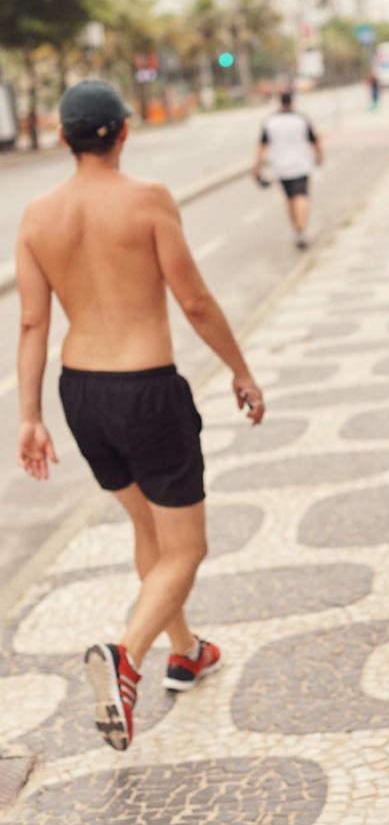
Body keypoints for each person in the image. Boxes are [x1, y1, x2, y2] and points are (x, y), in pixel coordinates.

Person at [16, 79, 265, 753]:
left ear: (65, 139)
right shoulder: (148, 200)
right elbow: (196, 302)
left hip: (80, 393)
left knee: (149, 529)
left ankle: (185, 651)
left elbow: (33, 320)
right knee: (187, 546)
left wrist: (29, 417)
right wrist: (240, 370)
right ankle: (126, 656)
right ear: (124, 131)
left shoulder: (37, 215)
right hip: (147, 389)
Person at [252, 91, 323, 250]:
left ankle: (297, 229)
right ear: (292, 101)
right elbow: (314, 141)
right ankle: (300, 228)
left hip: (280, 168)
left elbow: (262, 146)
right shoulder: (301, 119)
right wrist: (319, 156)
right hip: (301, 165)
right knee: (302, 197)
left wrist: (256, 167)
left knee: (290, 199)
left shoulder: (270, 121)